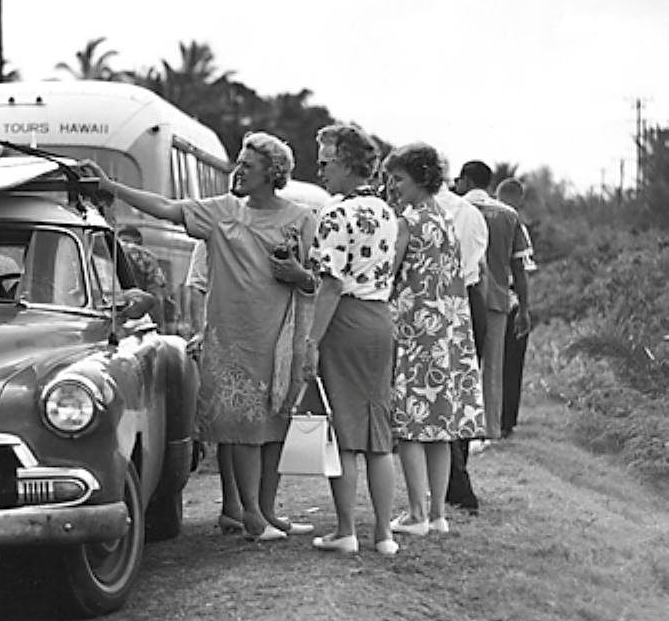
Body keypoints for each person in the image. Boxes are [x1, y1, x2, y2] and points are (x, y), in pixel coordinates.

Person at [88, 132, 318, 541]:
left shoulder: (302, 217)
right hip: (234, 337)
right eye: (239, 163)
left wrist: (298, 275)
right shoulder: (221, 212)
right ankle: (251, 516)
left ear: (273, 173)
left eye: (247, 166)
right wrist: (111, 187)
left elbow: (317, 279)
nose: (237, 171)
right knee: (245, 428)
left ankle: (267, 511)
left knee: (274, 427)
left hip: (281, 338)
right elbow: (165, 208)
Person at [301, 124, 400, 557]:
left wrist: (310, 341)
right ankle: (384, 533)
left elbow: (330, 285)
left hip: (346, 321)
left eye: (325, 164)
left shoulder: (335, 214)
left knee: (342, 430)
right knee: (378, 432)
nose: (320, 171)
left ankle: (346, 530)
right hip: (380, 319)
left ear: (343, 163)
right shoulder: (386, 212)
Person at [383, 143, 485, 538]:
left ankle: (415, 513)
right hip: (448, 331)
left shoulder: (408, 221)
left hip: (415, 330)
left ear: (420, 178)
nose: (393, 185)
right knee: (440, 427)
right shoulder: (444, 218)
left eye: (399, 178)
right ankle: (438, 513)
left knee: (409, 427)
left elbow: (390, 273)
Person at [455, 161, 531, 441]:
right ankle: (490, 428)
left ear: (464, 181)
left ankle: (460, 424)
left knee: (462, 362)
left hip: (461, 295)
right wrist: (524, 308)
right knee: (493, 367)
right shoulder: (509, 215)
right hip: (498, 298)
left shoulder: (455, 209)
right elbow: (519, 268)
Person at [436, 163, 489, 513]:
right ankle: (457, 478)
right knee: (463, 392)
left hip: (441, 300)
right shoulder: (471, 212)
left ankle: (454, 483)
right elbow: (478, 265)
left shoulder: (422, 214)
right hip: (471, 300)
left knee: (440, 392)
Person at [496, 177, 537, 437]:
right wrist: (525, 308)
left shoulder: (478, 217)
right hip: (509, 300)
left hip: (481, 299)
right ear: (519, 199)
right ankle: (506, 421)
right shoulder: (514, 223)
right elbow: (520, 271)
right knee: (512, 365)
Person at [119, 225, 170, 331]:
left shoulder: (143, 257)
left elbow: (156, 294)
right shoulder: (147, 258)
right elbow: (157, 294)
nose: (125, 246)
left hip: (132, 316)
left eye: (126, 241)